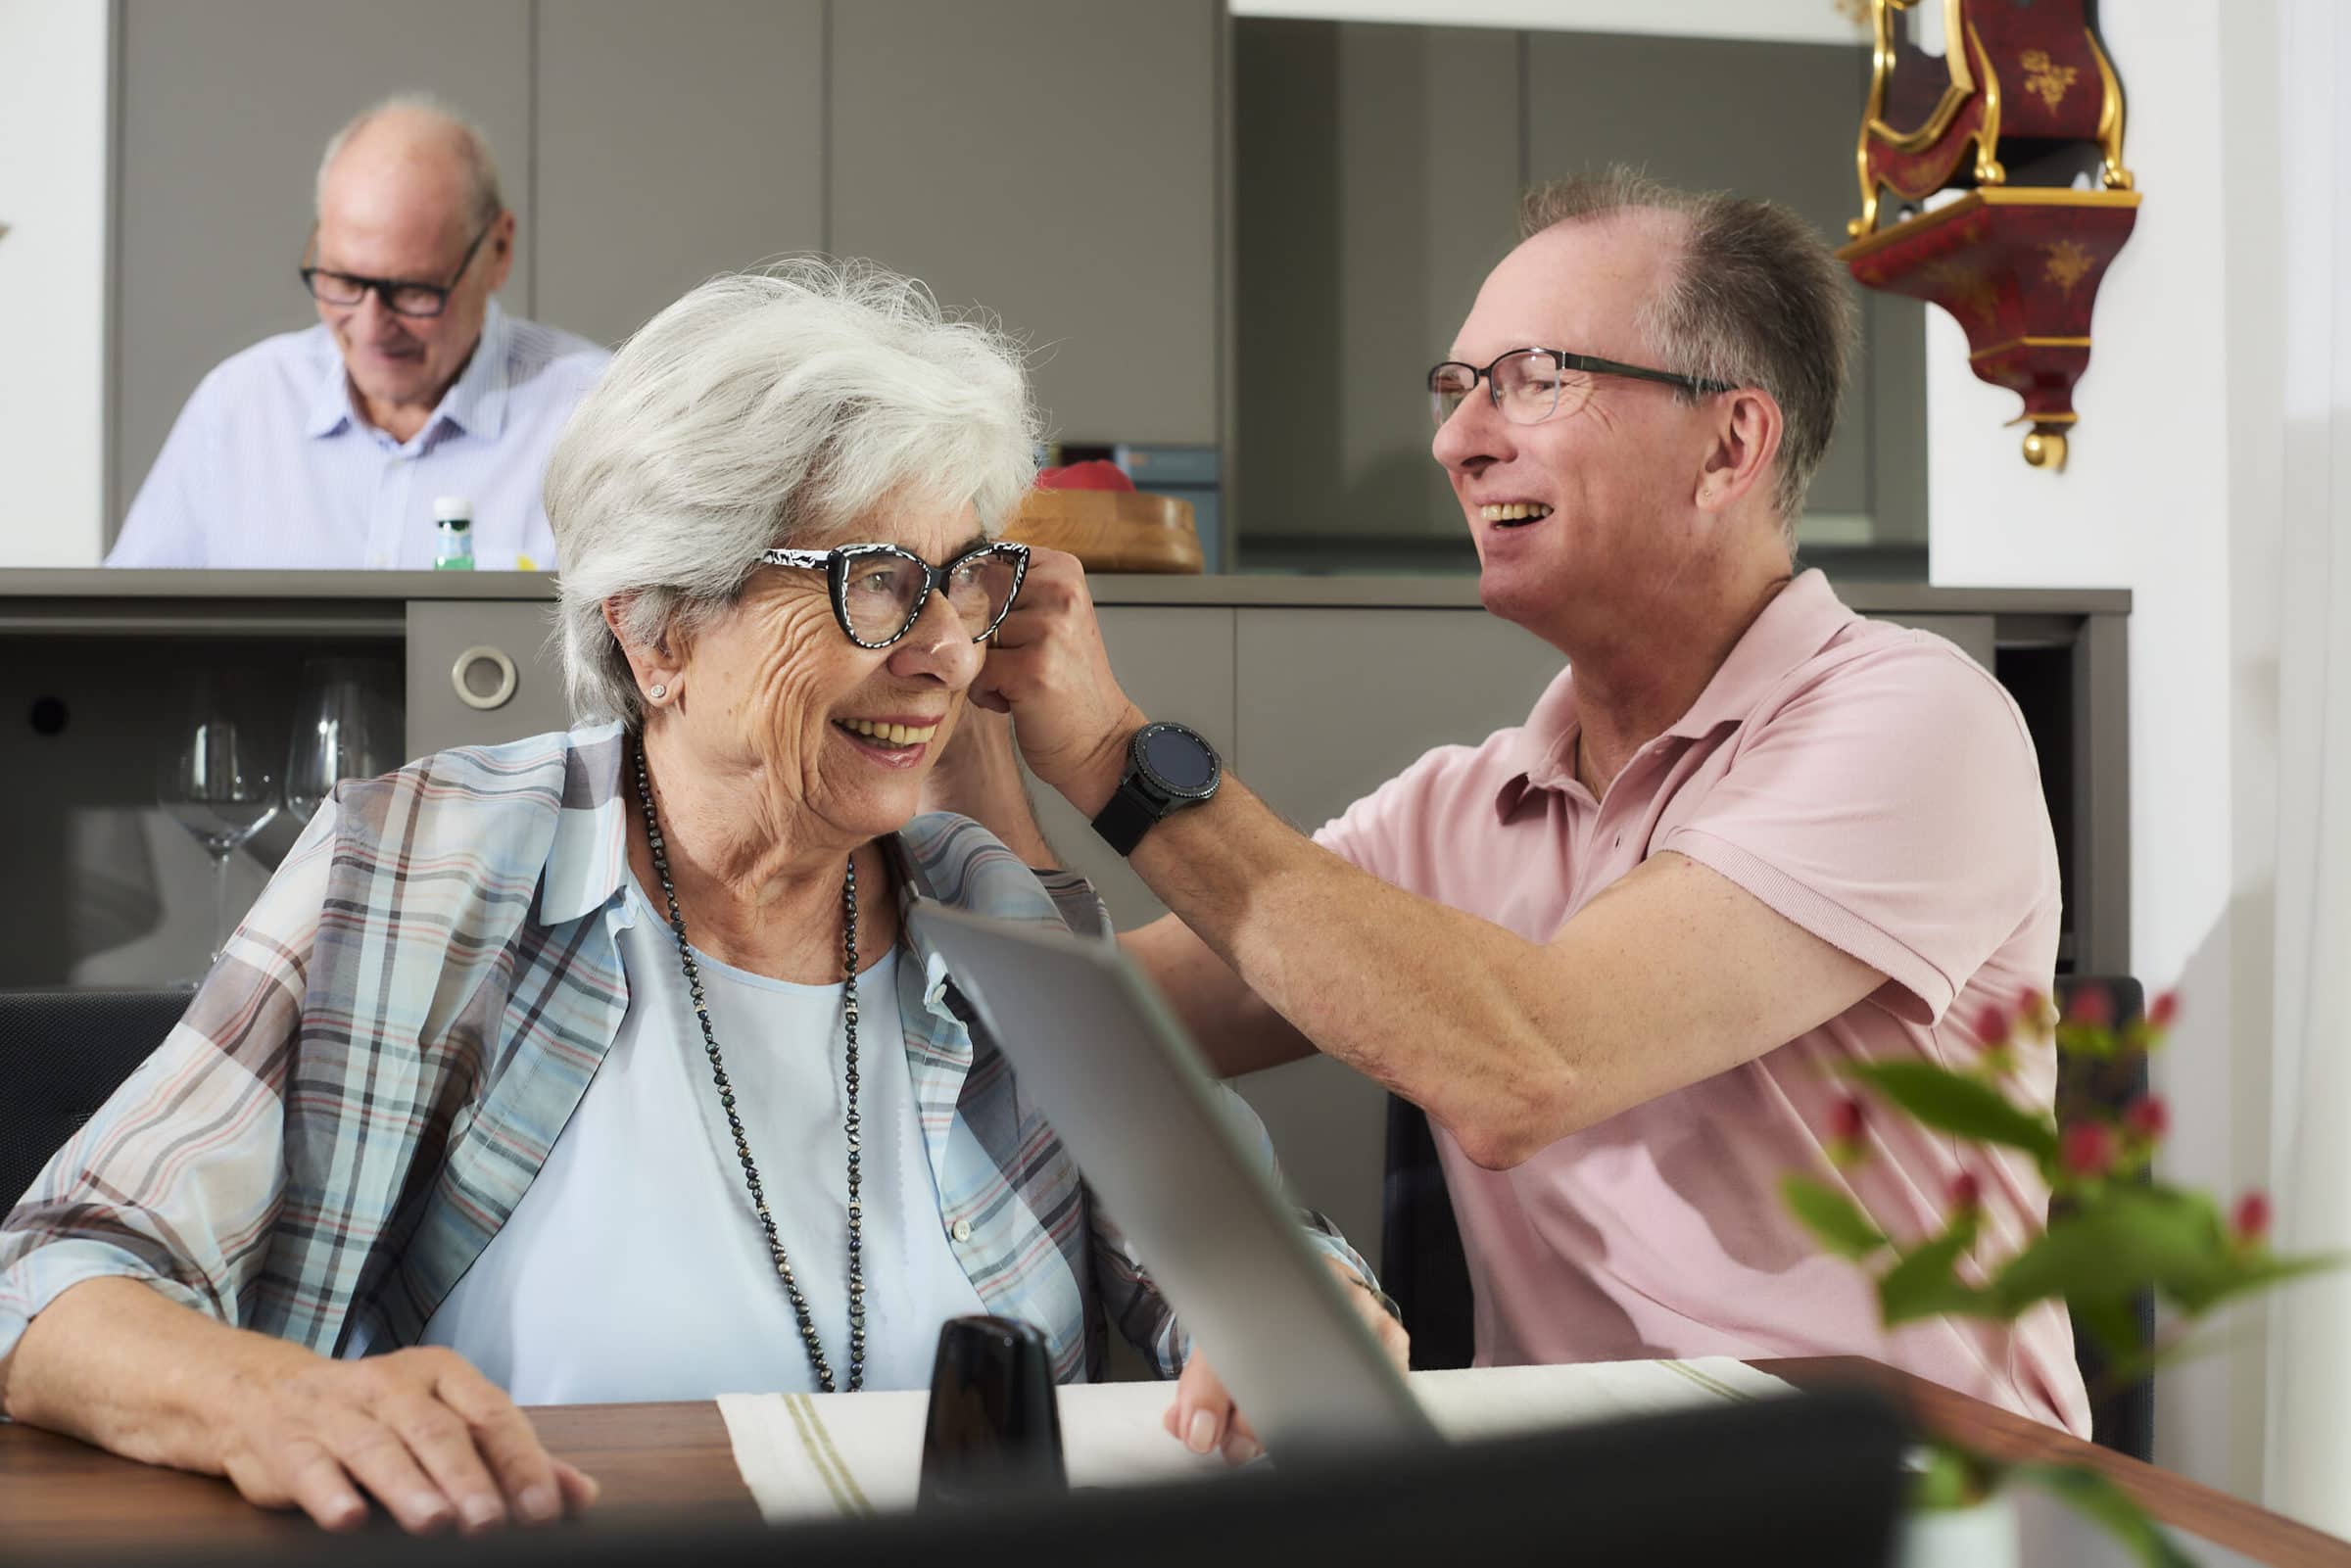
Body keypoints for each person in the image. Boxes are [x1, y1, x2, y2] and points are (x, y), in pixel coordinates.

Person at [1, 261, 1402, 1535]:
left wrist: (1297, 1317)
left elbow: (1245, 1258)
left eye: (965, 586)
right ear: (657, 624)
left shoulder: (988, 908)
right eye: (873, 585)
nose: (945, 659)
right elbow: (57, 1273)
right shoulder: (426, 865)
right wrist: (269, 1397)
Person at [933, 167, 2092, 1435]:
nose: (1456, 439)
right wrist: (976, 734)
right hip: (1574, 1505)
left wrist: (1113, 751)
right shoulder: (1457, 808)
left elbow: (1528, 1061)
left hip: (1917, 1505)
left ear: (1729, 445)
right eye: (1456, 388)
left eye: (1531, 380)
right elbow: (1106, 1037)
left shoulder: (1918, 725)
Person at [105, 95, 607, 570]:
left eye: (413, 291)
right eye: (343, 281)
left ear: (498, 250)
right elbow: (125, 640)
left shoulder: (595, 419)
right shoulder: (239, 409)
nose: (371, 328)